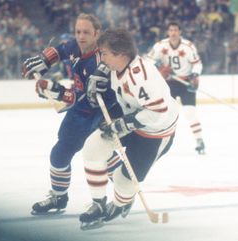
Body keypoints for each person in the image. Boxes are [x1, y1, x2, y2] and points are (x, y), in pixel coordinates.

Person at [79, 28, 179, 229]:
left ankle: (118, 204)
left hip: (156, 131)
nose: (101, 58)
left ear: (121, 54)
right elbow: (108, 68)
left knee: (123, 181)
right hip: (132, 116)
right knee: (92, 148)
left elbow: (156, 112)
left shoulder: (142, 75)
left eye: (104, 54)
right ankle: (98, 204)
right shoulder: (119, 64)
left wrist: (123, 124)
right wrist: (100, 74)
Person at [22, 13, 121, 215]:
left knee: (104, 157)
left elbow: (88, 98)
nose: (81, 36)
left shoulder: (101, 61)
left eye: (86, 32)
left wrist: (54, 89)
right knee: (59, 154)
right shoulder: (76, 46)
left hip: (101, 113)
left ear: (97, 34)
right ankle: (59, 197)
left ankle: (124, 195)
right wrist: (45, 60)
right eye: (78, 32)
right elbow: (61, 49)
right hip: (80, 112)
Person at [147, 21, 206, 155]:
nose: (173, 33)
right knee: (166, 114)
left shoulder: (188, 46)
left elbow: (197, 64)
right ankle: (160, 142)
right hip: (168, 84)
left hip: (185, 83)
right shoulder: (160, 45)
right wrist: (158, 67)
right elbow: (148, 61)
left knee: (190, 113)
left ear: (180, 32)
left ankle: (199, 141)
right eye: (171, 30)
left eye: (176, 30)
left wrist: (195, 75)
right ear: (168, 32)